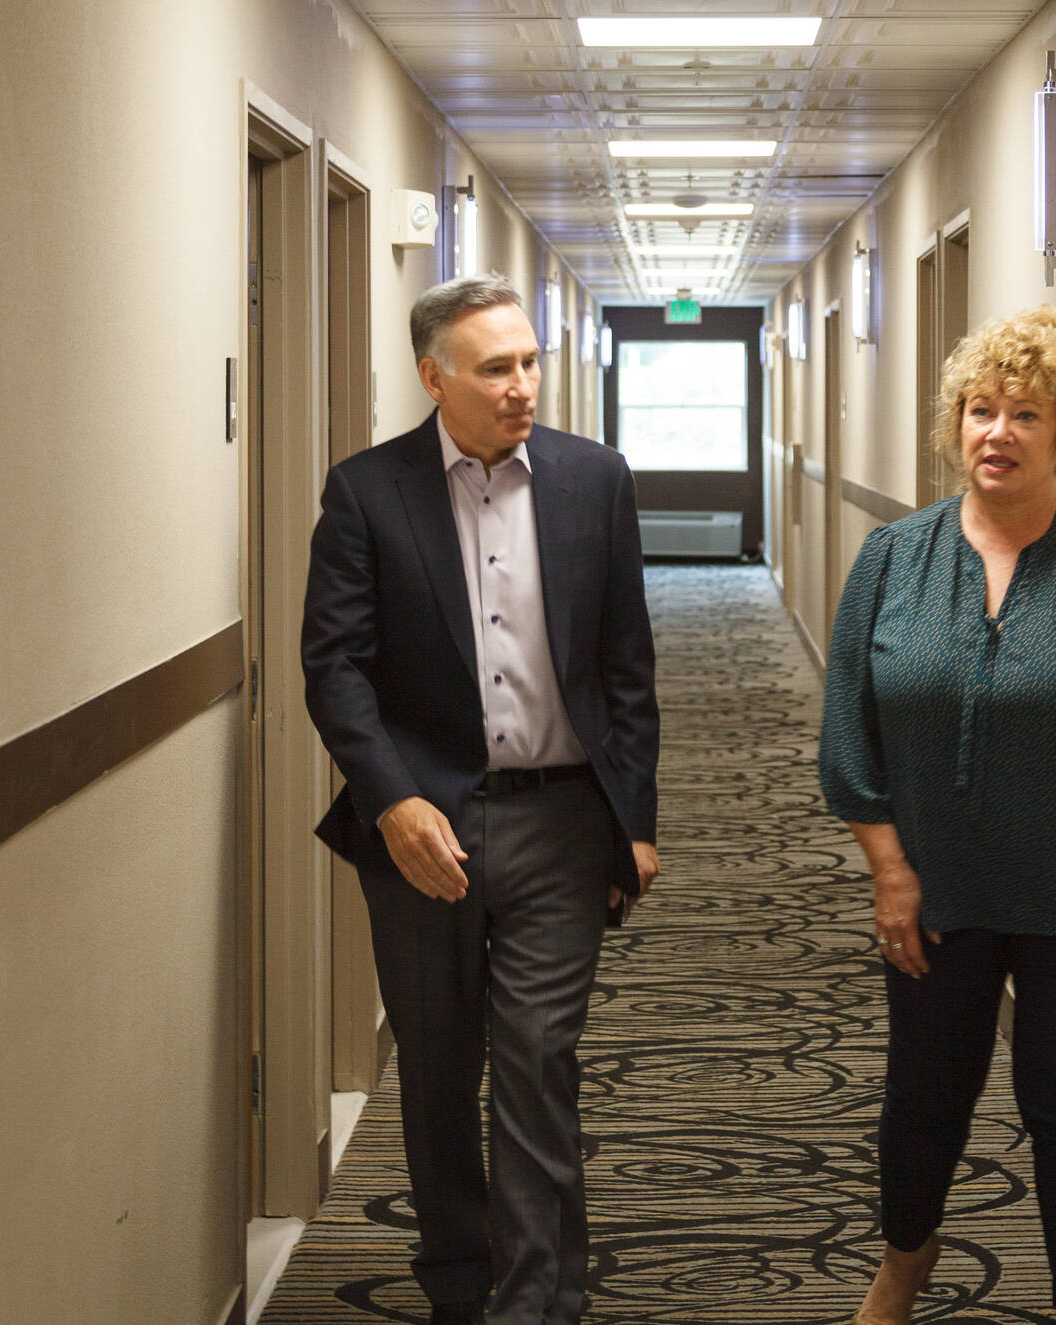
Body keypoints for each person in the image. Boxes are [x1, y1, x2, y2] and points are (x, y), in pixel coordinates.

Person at [818, 305, 1056, 1325]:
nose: (996, 433)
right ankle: (903, 1260)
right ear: (953, 428)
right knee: (922, 1100)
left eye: (1022, 414)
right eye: (978, 411)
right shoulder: (891, 561)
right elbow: (846, 744)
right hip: (935, 896)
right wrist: (889, 873)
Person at [301, 274, 661, 1325]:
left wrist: (632, 820)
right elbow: (335, 667)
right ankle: (459, 1284)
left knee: (540, 1060)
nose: (522, 386)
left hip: (561, 818)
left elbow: (626, 664)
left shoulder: (594, 480)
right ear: (433, 378)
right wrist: (393, 803)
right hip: (426, 829)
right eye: (496, 367)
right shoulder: (368, 492)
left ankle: (541, 1300)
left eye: (530, 361)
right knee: (438, 1068)